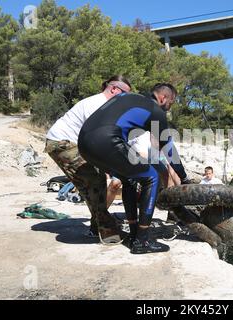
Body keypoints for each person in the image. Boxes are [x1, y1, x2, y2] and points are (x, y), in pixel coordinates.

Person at [78, 83, 184, 254]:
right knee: (151, 176)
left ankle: (135, 232)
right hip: (107, 140)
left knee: (129, 178)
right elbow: (168, 148)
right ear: (163, 98)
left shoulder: (128, 97)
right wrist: (183, 176)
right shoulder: (155, 110)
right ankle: (142, 241)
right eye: (171, 102)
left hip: (84, 143)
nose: (170, 107)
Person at [44, 75, 132, 242]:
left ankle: (97, 226)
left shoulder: (104, 105)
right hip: (62, 143)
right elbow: (101, 139)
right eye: (124, 94)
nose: (125, 100)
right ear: (113, 89)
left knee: (93, 183)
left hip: (71, 144)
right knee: (94, 182)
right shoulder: (97, 104)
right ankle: (107, 231)